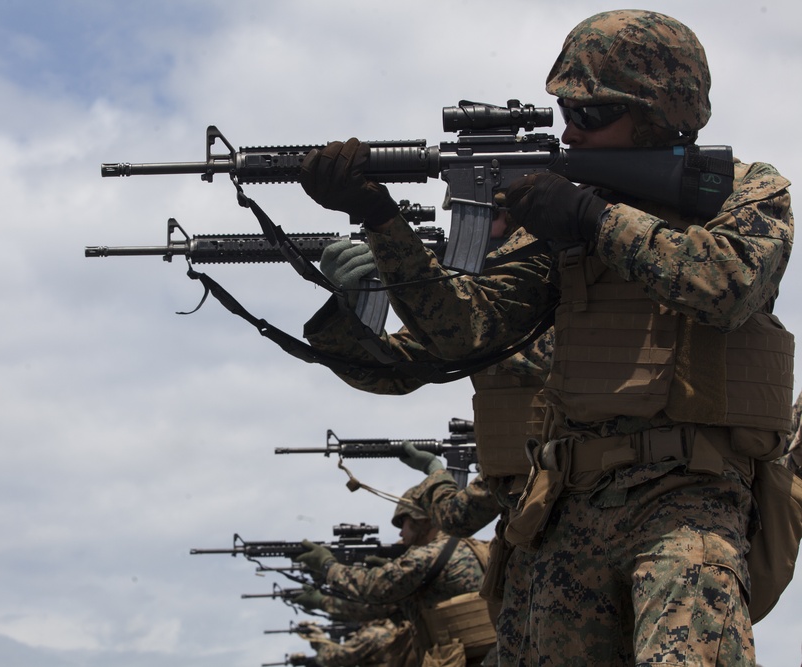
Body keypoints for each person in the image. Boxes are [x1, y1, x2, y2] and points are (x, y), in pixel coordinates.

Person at [298, 9, 794, 665]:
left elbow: (724, 284)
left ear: (659, 112)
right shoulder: (555, 230)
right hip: (568, 513)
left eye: (590, 116)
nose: (571, 132)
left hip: (687, 502)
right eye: (566, 113)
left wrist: (592, 218)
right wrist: (378, 217)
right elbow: (465, 332)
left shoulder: (746, 192)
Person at [304, 220, 549, 666]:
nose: (401, 533)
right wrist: (346, 310)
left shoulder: (566, 295)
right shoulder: (501, 315)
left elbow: (458, 516)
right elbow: (386, 367)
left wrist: (435, 473)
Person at [294, 490, 494, 667]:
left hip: (461, 657)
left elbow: (372, 588)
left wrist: (327, 566)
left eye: (403, 523)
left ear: (420, 519)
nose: (400, 532)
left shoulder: (426, 556)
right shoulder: (475, 546)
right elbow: (381, 607)